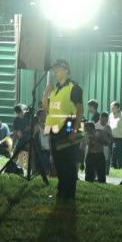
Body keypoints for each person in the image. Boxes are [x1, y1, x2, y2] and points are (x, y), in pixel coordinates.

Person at [42, 59, 84, 201]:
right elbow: (48, 109)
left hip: (68, 127)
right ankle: (62, 190)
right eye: (54, 70)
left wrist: (74, 130)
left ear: (66, 70)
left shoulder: (74, 88)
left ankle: (69, 193)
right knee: (58, 161)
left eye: (57, 69)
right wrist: (45, 94)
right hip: (54, 129)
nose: (55, 72)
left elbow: (79, 110)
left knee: (68, 162)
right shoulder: (54, 90)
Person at [108, 101, 122, 169]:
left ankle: (118, 165)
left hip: (119, 137)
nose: (112, 108)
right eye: (111, 107)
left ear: (118, 108)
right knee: (112, 151)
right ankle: (113, 165)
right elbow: (109, 125)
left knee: (117, 151)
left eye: (113, 107)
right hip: (111, 137)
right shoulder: (110, 115)